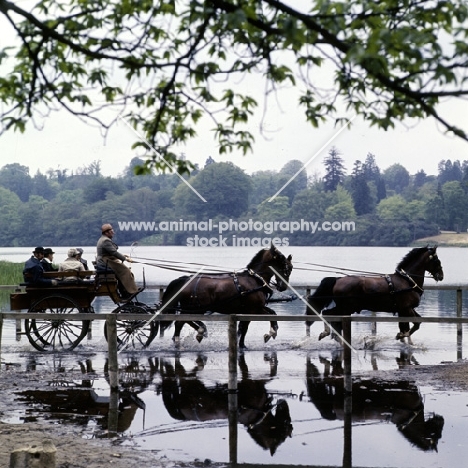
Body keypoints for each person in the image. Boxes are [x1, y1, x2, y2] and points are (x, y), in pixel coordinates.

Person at [96, 223, 139, 299]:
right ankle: (129, 291)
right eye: (111, 231)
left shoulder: (103, 239)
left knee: (124, 271)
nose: (113, 232)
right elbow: (114, 252)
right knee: (125, 271)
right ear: (106, 233)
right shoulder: (105, 240)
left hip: (107, 260)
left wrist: (123, 255)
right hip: (105, 261)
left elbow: (110, 251)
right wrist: (125, 259)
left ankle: (125, 290)